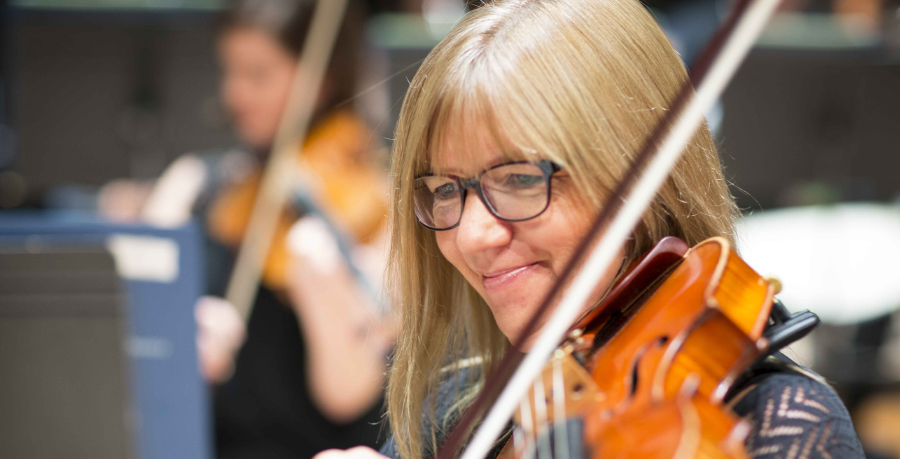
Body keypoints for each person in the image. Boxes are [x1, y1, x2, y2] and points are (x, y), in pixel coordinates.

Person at [310, 0, 866, 458]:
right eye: (446, 189)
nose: (473, 236)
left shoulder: (774, 424)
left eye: (520, 179)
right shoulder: (459, 409)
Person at [100, 0, 395, 458]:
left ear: (324, 76)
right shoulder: (195, 185)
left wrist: (324, 288)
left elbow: (351, 396)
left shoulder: (373, 205)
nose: (235, 94)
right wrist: (178, 340)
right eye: (230, 70)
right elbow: (127, 355)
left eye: (258, 74)